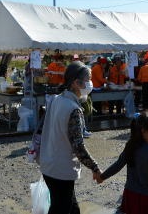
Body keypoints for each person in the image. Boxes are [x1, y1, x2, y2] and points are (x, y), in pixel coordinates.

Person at [40, 61, 101, 214]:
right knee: (61, 209)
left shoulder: (56, 99)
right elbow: (78, 146)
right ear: (76, 83)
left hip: (49, 165)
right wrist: (95, 167)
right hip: (61, 171)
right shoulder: (73, 109)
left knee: (72, 209)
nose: (90, 83)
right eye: (88, 80)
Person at [98, 112, 148, 214]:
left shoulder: (131, 146)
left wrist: (102, 177)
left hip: (130, 195)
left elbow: (117, 165)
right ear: (144, 131)